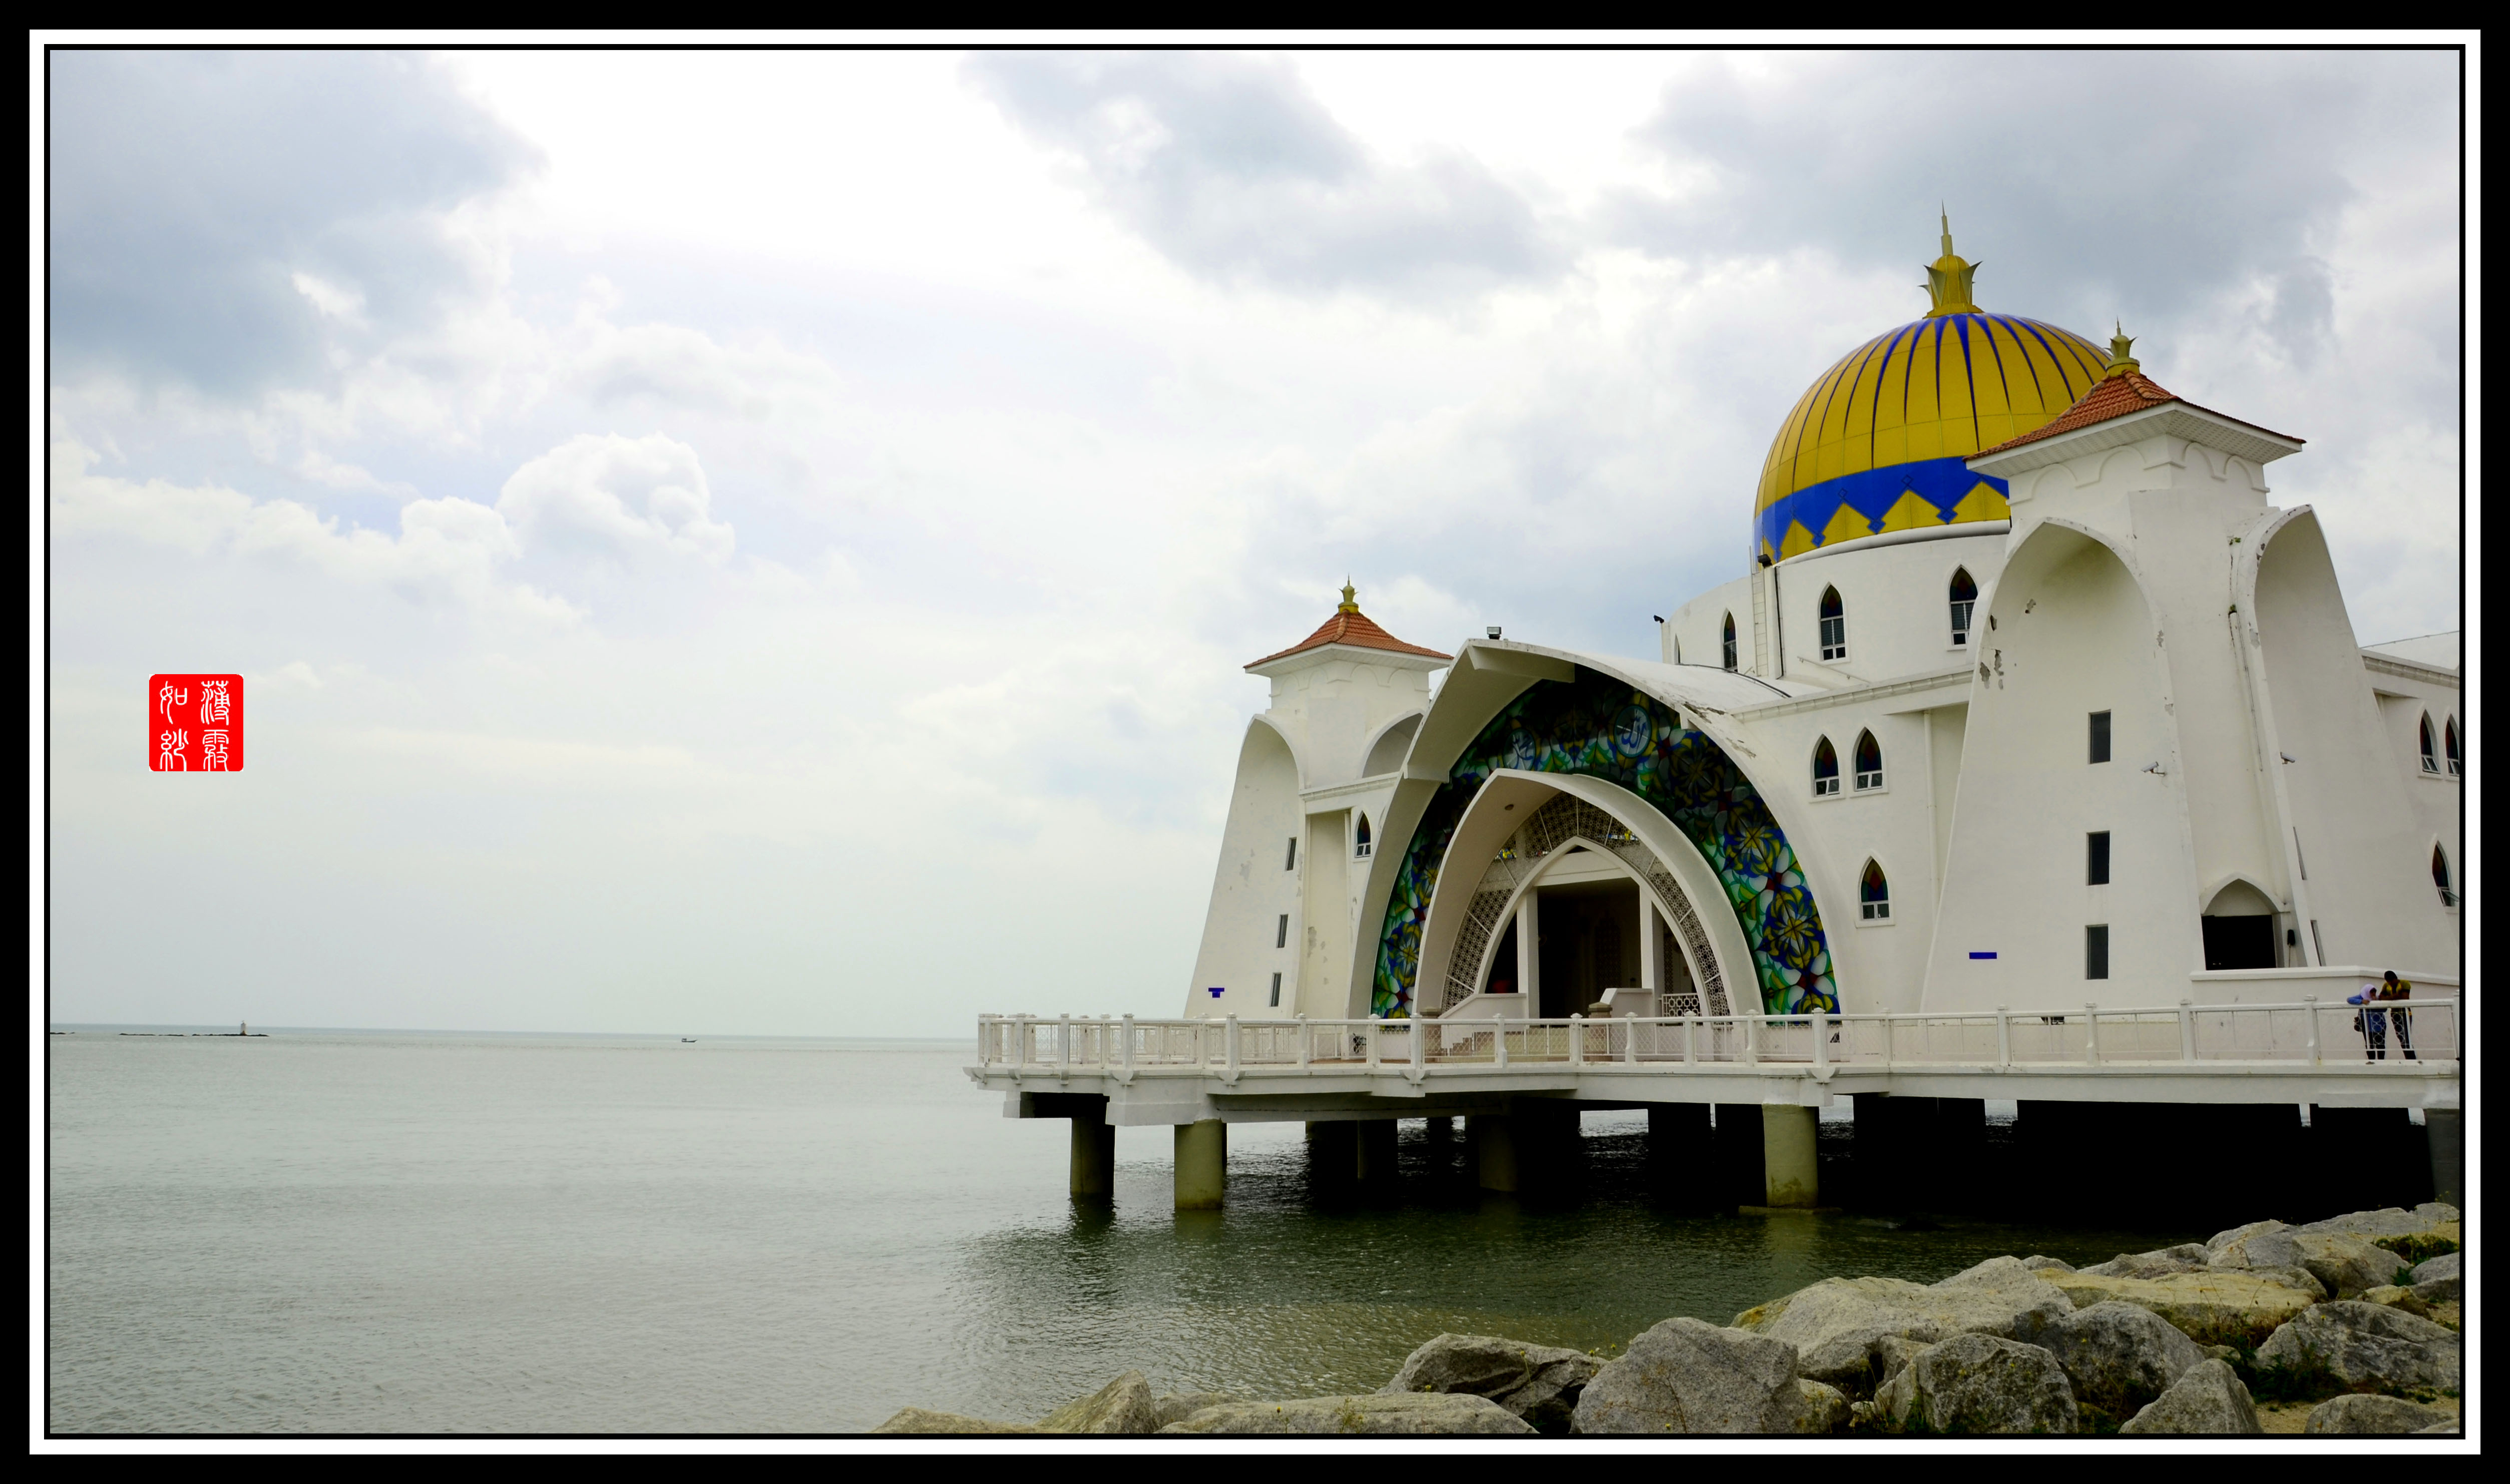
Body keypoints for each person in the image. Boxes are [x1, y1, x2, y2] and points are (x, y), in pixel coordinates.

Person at [2348, 970, 2400, 1061]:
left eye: (2374, 992)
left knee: (2380, 1045)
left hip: (2379, 1026)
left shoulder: (2378, 998)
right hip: (2367, 1026)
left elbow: (2384, 1009)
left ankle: (2381, 1062)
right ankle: (2371, 1061)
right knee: (2370, 1045)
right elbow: (2349, 1000)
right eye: (2371, 992)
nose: (2373, 994)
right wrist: (2361, 1002)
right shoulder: (2362, 997)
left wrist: (2376, 1003)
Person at [2384, 976, 2416, 1061]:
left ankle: (2412, 1059)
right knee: (2401, 1037)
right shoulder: (2386, 986)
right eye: (2388, 981)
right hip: (2395, 1014)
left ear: (2395, 979)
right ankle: (2410, 1058)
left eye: (2391, 981)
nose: (2390, 983)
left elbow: (2405, 997)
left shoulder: (2404, 983)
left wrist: (2389, 998)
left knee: (2406, 1037)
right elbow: (2381, 998)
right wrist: (2395, 996)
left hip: (2405, 1013)